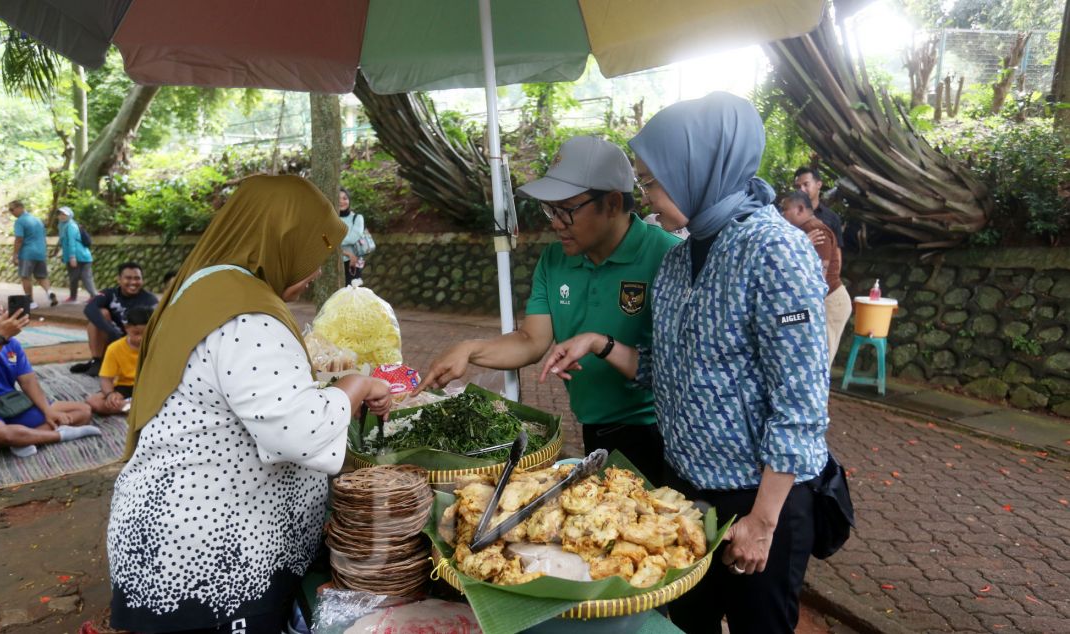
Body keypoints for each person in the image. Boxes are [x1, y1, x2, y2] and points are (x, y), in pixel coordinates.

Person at [542, 94, 829, 633]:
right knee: (687, 624)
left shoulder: (775, 251)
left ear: (700, 170)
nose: (644, 195)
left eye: (652, 181)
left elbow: (801, 406)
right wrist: (599, 342)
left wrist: (762, 522)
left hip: (756, 497)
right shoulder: (679, 257)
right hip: (685, 495)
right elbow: (664, 370)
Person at [108, 175, 394, 633]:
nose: (317, 271)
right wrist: (356, 386)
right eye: (311, 254)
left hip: (175, 531)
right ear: (278, 241)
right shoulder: (248, 318)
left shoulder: (205, 286)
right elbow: (297, 433)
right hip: (212, 558)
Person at [416, 136, 681, 484]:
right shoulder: (556, 260)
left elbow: (682, 370)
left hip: (658, 432)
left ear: (613, 203)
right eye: (549, 209)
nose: (556, 222)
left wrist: (602, 343)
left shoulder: (667, 257)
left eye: (566, 209)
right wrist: (469, 349)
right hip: (595, 429)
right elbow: (531, 340)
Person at [0, 289, 98, 458]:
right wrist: (0, 338)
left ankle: (23, 438)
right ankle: (58, 435)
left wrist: (47, 410)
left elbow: (28, 381)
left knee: (82, 411)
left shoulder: (12, 343)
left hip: (10, 402)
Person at [781, 190, 852, 366]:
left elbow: (820, 275)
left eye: (785, 210)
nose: (782, 215)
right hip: (817, 303)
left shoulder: (814, 229)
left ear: (799, 209)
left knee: (819, 362)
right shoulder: (802, 232)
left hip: (828, 302)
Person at [70, 262, 158, 377]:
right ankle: (97, 361)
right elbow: (89, 308)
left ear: (142, 280)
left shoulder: (150, 300)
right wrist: (111, 331)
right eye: (128, 278)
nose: (133, 282)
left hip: (135, 343)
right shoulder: (109, 293)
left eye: (137, 278)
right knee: (101, 313)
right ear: (119, 279)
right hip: (113, 337)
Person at [86, 306, 152, 416]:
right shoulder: (115, 348)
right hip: (125, 387)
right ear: (127, 328)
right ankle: (132, 408)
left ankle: (133, 407)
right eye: (136, 333)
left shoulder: (157, 346)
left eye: (147, 334)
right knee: (93, 401)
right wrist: (110, 394)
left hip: (149, 386)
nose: (141, 338)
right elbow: (106, 378)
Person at [8, 200, 57, 309]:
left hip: (27, 253)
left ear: (19, 207)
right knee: (42, 276)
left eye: (12, 210)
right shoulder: (37, 220)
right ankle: (49, 292)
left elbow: (19, 239)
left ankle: (30, 302)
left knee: (25, 277)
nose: (11, 212)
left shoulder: (20, 221)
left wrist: (15, 255)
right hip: (40, 252)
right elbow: (43, 238)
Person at [793, 166, 845, 250]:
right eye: (798, 187)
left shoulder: (832, 218)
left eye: (806, 184)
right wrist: (802, 242)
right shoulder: (787, 216)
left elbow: (836, 253)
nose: (801, 190)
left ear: (819, 185)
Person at [57, 206, 97, 302]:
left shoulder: (71, 225)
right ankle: (74, 296)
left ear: (69, 215)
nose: (61, 216)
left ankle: (93, 296)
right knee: (74, 277)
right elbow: (62, 241)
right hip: (76, 256)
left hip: (79, 256)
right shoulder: (62, 225)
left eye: (64, 214)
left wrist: (72, 257)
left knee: (84, 277)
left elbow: (72, 242)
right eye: (60, 214)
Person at [338, 188, 367, 286]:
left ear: (349, 200)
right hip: (334, 262)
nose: (341, 201)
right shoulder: (330, 219)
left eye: (345, 198)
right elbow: (325, 241)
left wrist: (332, 241)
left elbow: (352, 238)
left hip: (353, 262)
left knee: (352, 295)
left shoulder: (357, 218)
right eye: (338, 199)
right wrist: (346, 253)